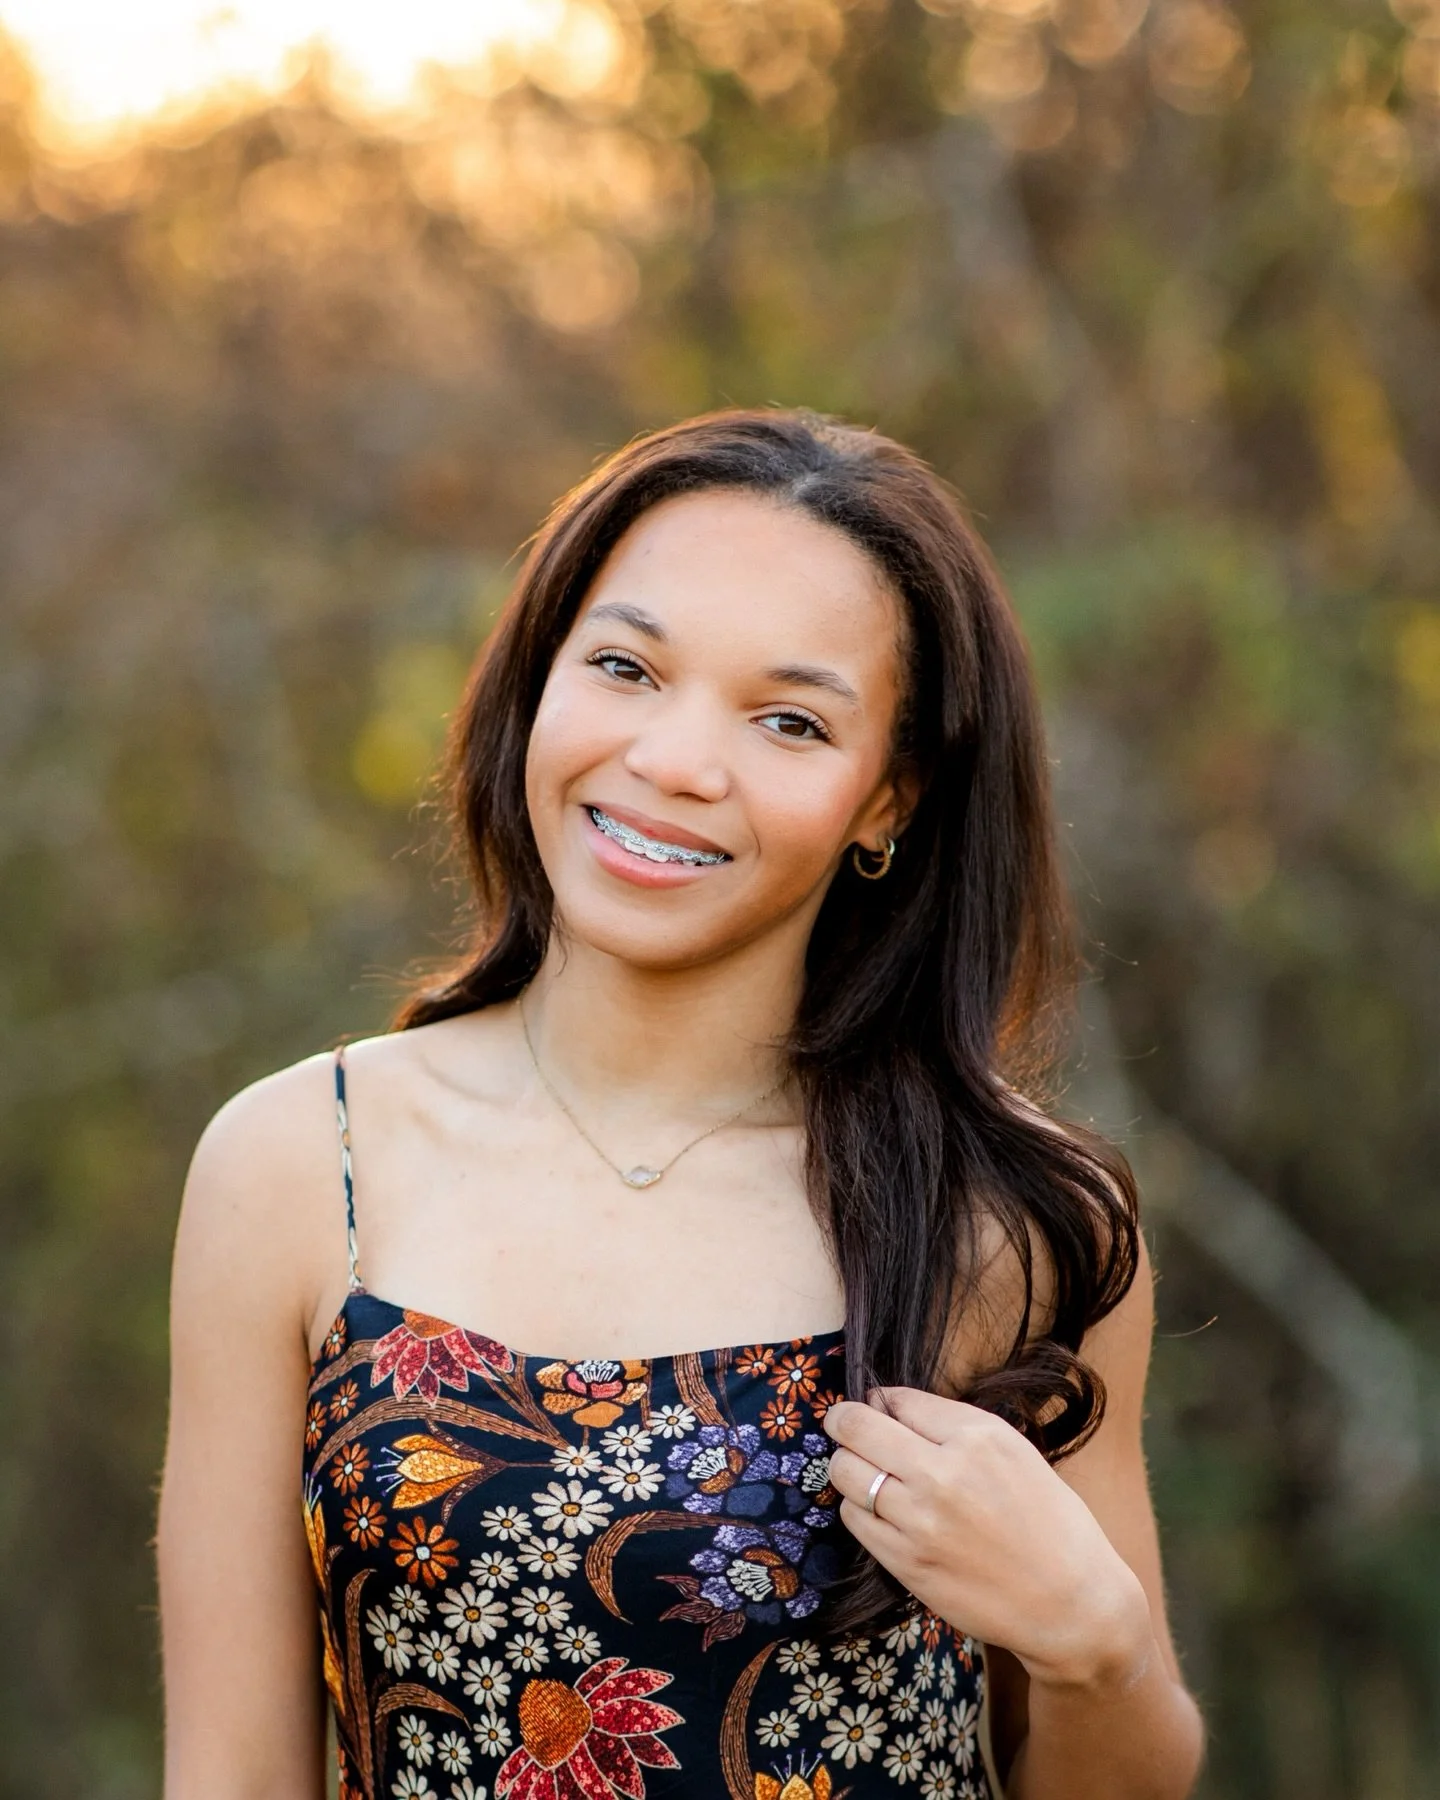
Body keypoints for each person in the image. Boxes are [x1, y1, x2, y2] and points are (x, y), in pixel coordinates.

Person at [157, 407, 1204, 1800]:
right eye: (626, 668)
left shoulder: (1007, 1223)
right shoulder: (302, 1165)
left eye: (788, 719)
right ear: (540, 683)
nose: (676, 761)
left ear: (887, 798)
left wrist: (1101, 1648)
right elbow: (229, 1776)